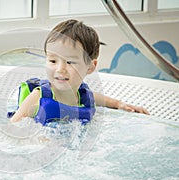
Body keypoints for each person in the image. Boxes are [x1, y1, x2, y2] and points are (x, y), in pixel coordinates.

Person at [9, 19, 149, 125]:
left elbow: (97, 98)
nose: (60, 69)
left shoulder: (82, 95)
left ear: (90, 67)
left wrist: (119, 104)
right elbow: (11, 128)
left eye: (70, 62)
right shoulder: (38, 97)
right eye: (53, 61)